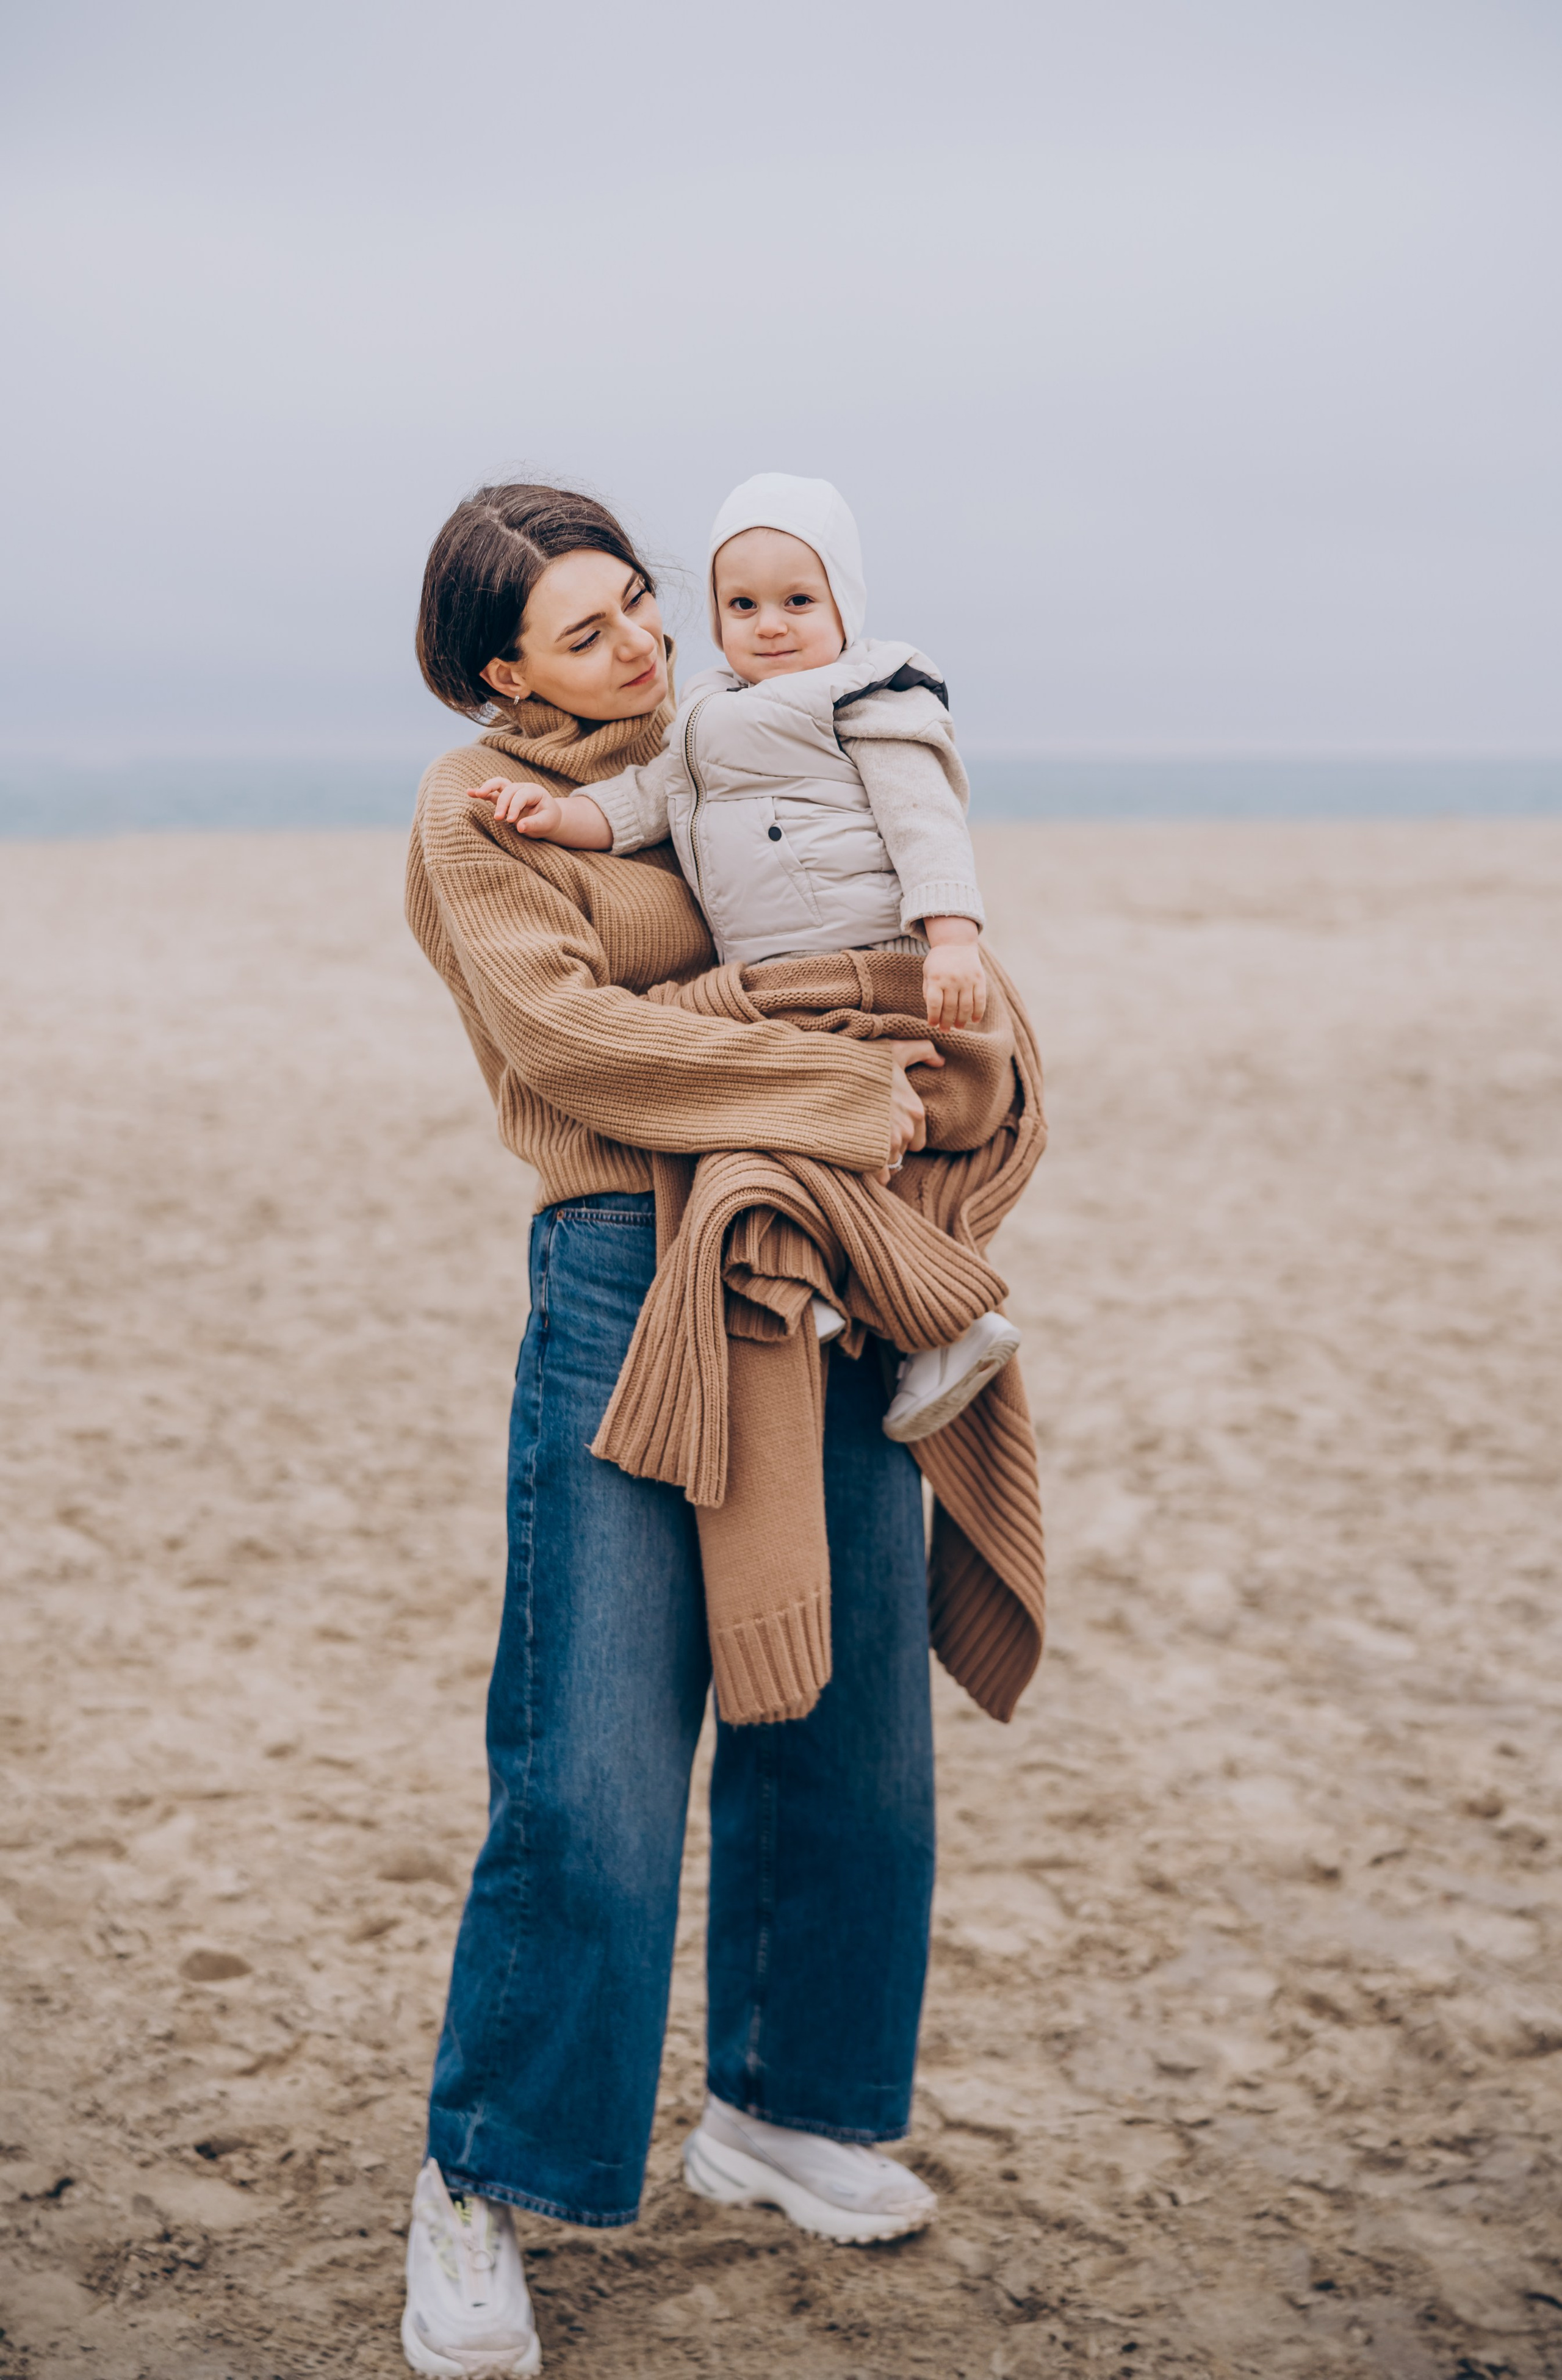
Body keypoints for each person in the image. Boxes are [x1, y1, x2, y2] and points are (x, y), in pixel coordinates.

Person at [399, 481, 956, 2379]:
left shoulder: (738, 733)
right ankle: (479, 2174)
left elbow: (880, 895)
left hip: (813, 1248)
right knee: (592, 1758)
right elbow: (574, 1043)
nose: (643, 643)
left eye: (642, 603)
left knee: (848, 1709)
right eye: (588, 632)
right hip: (623, 1268)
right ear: (502, 674)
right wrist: (822, 1071)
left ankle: (784, 2105)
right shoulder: (476, 809)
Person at [471, 473, 1021, 1448]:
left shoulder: (867, 697)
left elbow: (926, 823)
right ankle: (827, 1289)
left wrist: (952, 939)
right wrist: (556, 816)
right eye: (742, 605)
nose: (769, 626)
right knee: (787, 1143)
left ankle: (929, 1312)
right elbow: (641, 804)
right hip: (776, 985)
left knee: (802, 1139)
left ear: (846, 604)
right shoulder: (703, 717)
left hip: (858, 960)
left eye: (798, 601)